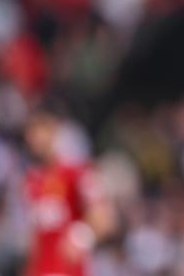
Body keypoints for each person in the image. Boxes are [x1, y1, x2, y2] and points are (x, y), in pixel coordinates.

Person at [22, 101, 116, 276]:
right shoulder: (31, 180)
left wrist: (82, 237)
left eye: (40, 129)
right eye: (30, 130)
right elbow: (36, 239)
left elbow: (105, 219)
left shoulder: (77, 173)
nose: (34, 137)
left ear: (55, 130)